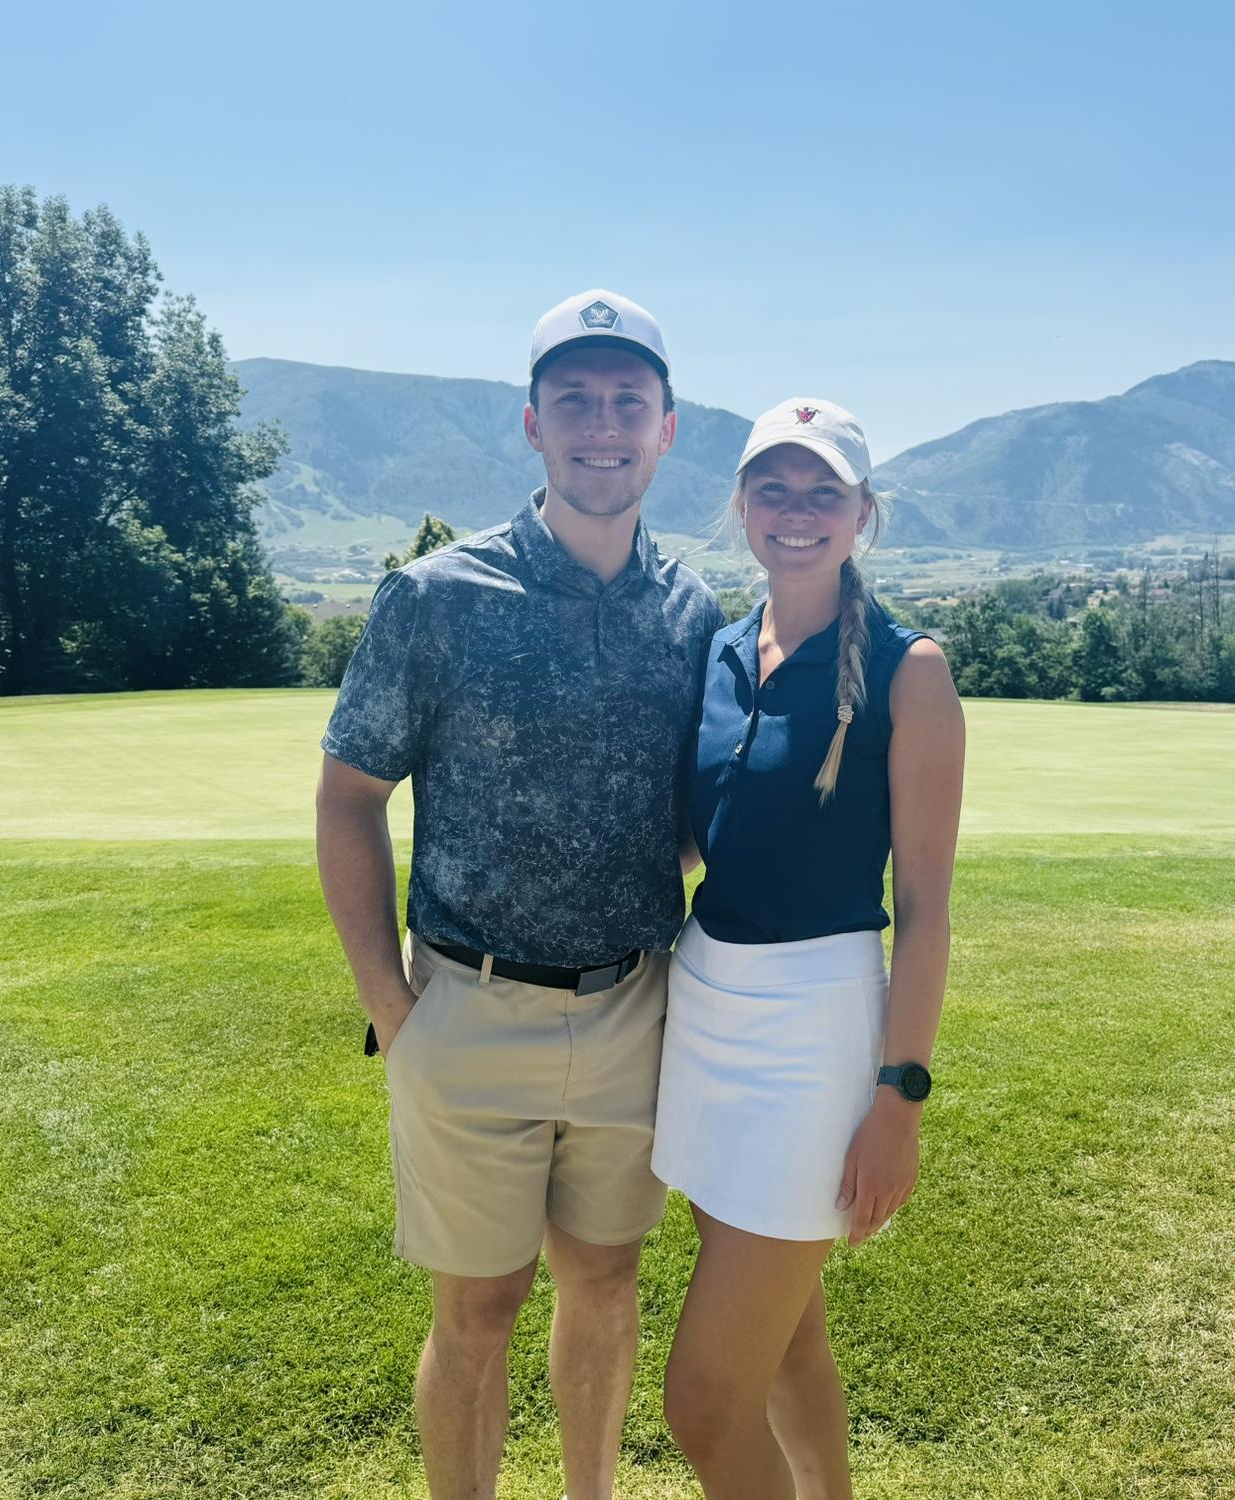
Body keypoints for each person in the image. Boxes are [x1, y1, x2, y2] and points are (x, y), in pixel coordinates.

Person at [315, 289, 724, 1500]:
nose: (603, 425)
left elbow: (689, 814)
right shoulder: (435, 597)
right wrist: (391, 1005)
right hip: (466, 1007)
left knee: (605, 1282)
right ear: (533, 423)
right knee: (477, 1312)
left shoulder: (692, 610)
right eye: (575, 401)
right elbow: (348, 799)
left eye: (629, 403)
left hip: (634, 1007)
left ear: (666, 429)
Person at [652, 398, 965, 1498]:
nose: (797, 511)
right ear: (741, 506)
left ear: (862, 512)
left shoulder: (909, 669)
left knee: (703, 1402)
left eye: (823, 491)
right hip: (703, 1011)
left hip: (814, 1038)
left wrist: (899, 1101)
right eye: (773, 489)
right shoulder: (719, 652)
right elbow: (709, 835)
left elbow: (924, 905)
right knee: (790, 1345)